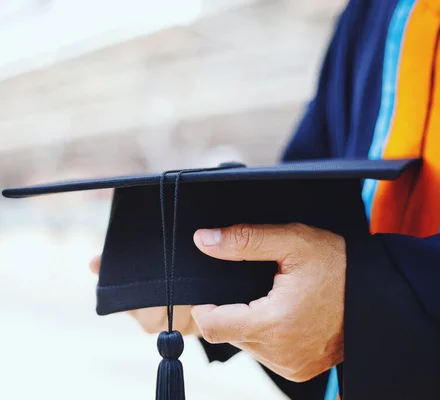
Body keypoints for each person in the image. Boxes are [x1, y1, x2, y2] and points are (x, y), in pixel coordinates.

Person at [90, 0, 440, 398]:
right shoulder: (373, 12)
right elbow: (316, 186)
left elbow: (356, 289)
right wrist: (211, 278)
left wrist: (366, 305)